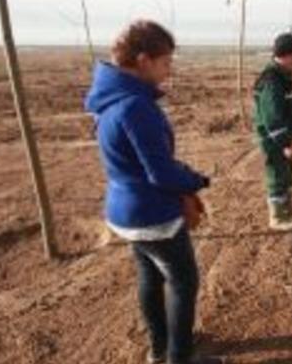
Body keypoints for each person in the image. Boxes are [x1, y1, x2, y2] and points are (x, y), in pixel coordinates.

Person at [84, 20, 217, 364]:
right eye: (165, 62)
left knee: (150, 274)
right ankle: (179, 357)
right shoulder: (136, 106)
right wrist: (196, 180)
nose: (168, 71)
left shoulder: (110, 99)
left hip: (124, 210)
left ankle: (161, 348)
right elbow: (161, 173)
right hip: (151, 213)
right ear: (143, 60)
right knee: (183, 282)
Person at [254, 33, 292, 231]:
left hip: (283, 137)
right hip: (274, 140)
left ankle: (286, 209)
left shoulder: (283, 75)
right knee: (277, 174)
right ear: (286, 55)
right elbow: (272, 118)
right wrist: (285, 143)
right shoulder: (272, 80)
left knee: (287, 171)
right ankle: (278, 218)